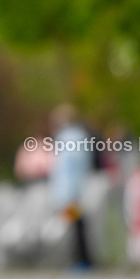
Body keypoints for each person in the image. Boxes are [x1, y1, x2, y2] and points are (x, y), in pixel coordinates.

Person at [48, 104, 94, 270]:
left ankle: (81, 261)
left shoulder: (70, 137)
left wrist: (70, 191)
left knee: (75, 226)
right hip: (74, 189)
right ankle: (81, 260)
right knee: (76, 225)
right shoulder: (76, 135)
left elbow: (71, 166)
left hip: (72, 191)